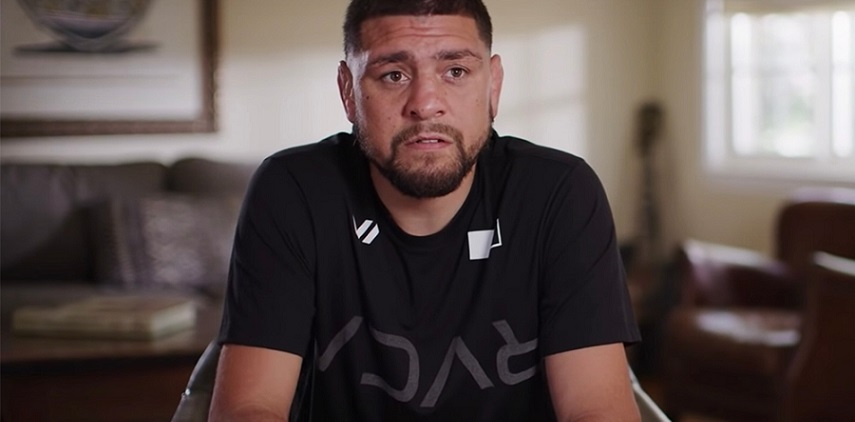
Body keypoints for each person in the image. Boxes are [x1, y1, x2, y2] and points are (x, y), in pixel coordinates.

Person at [209, 0, 641, 420]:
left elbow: (595, 408)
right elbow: (249, 407)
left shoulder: (559, 193)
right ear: (348, 91)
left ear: (493, 85)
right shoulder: (293, 190)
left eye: (455, 71)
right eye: (393, 74)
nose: (426, 103)